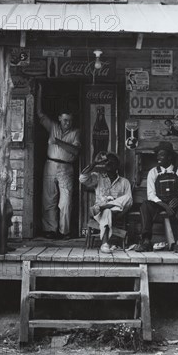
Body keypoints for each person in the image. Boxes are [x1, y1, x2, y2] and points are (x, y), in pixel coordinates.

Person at [37, 83, 81, 239]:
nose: (66, 123)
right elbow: (40, 114)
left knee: (65, 201)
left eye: (69, 120)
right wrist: (40, 91)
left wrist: (58, 142)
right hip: (50, 165)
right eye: (64, 120)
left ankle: (64, 231)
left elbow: (75, 150)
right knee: (49, 199)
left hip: (66, 167)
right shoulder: (53, 126)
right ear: (59, 119)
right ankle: (50, 230)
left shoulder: (76, 132)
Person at [136, 142, 178, 253]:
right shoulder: (153, 172)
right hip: (158, 204)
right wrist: (164, 205)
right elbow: (151, 195)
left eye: (161, 155)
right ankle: (146, 241)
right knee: (145, 206)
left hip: (174, 204)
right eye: (157, 154)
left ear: (169, 156)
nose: (158, 157)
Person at [80, 152, 132, 253]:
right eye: (106, 161)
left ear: (117, 165)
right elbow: (82, 178)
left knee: (128, 197)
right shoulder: (98, 178)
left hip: (117, 212)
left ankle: (104, 207)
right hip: (99, 212)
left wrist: (110, 207)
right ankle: (104, 244)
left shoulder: (124, 182)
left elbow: (129, 202)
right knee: (107, 211)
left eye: (112, 162)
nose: (108, 163)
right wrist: (94, 163)